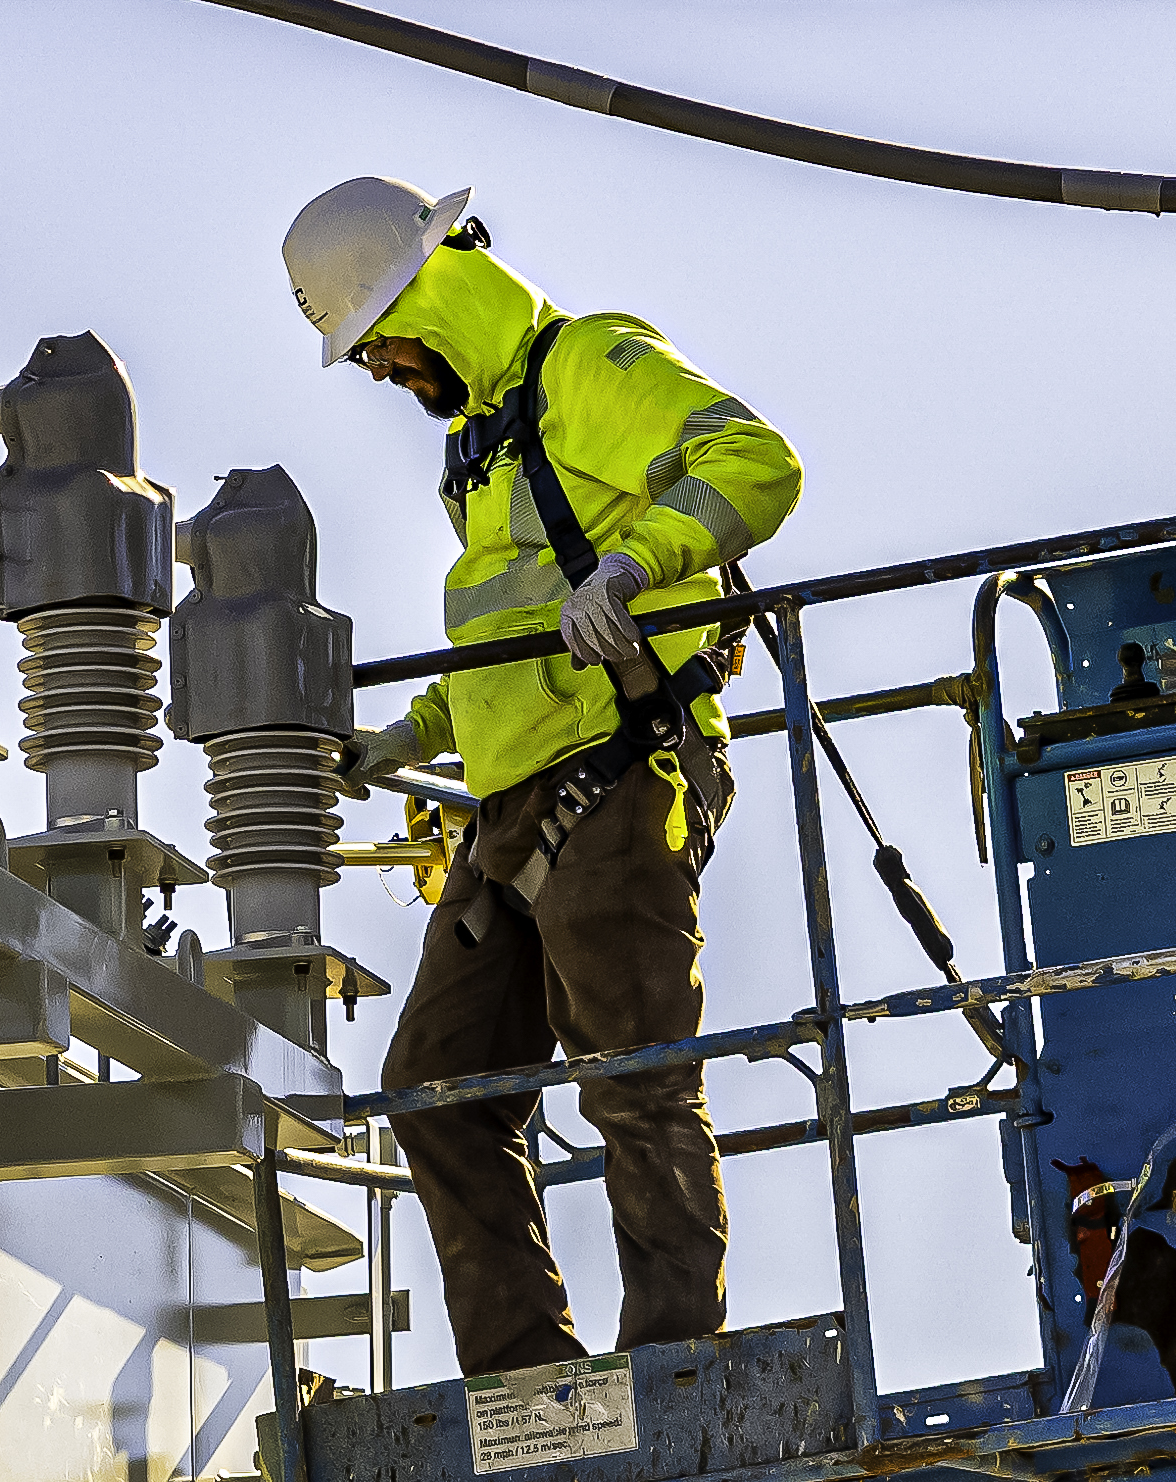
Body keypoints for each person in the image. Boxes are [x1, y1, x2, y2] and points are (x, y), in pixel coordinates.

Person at [281, 172, 801, 1377]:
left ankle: (671, 1368)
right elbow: (510, 649)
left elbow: (756, 462)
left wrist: (633, 569)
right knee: (434, 1087)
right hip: (514, 807)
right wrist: (403, 740)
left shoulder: (589, 369)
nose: (376, 373)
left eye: (379, 344)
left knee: (629, 1070)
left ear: (431, 299)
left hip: (620, 773)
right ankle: (527, 1383)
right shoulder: (478, 455)